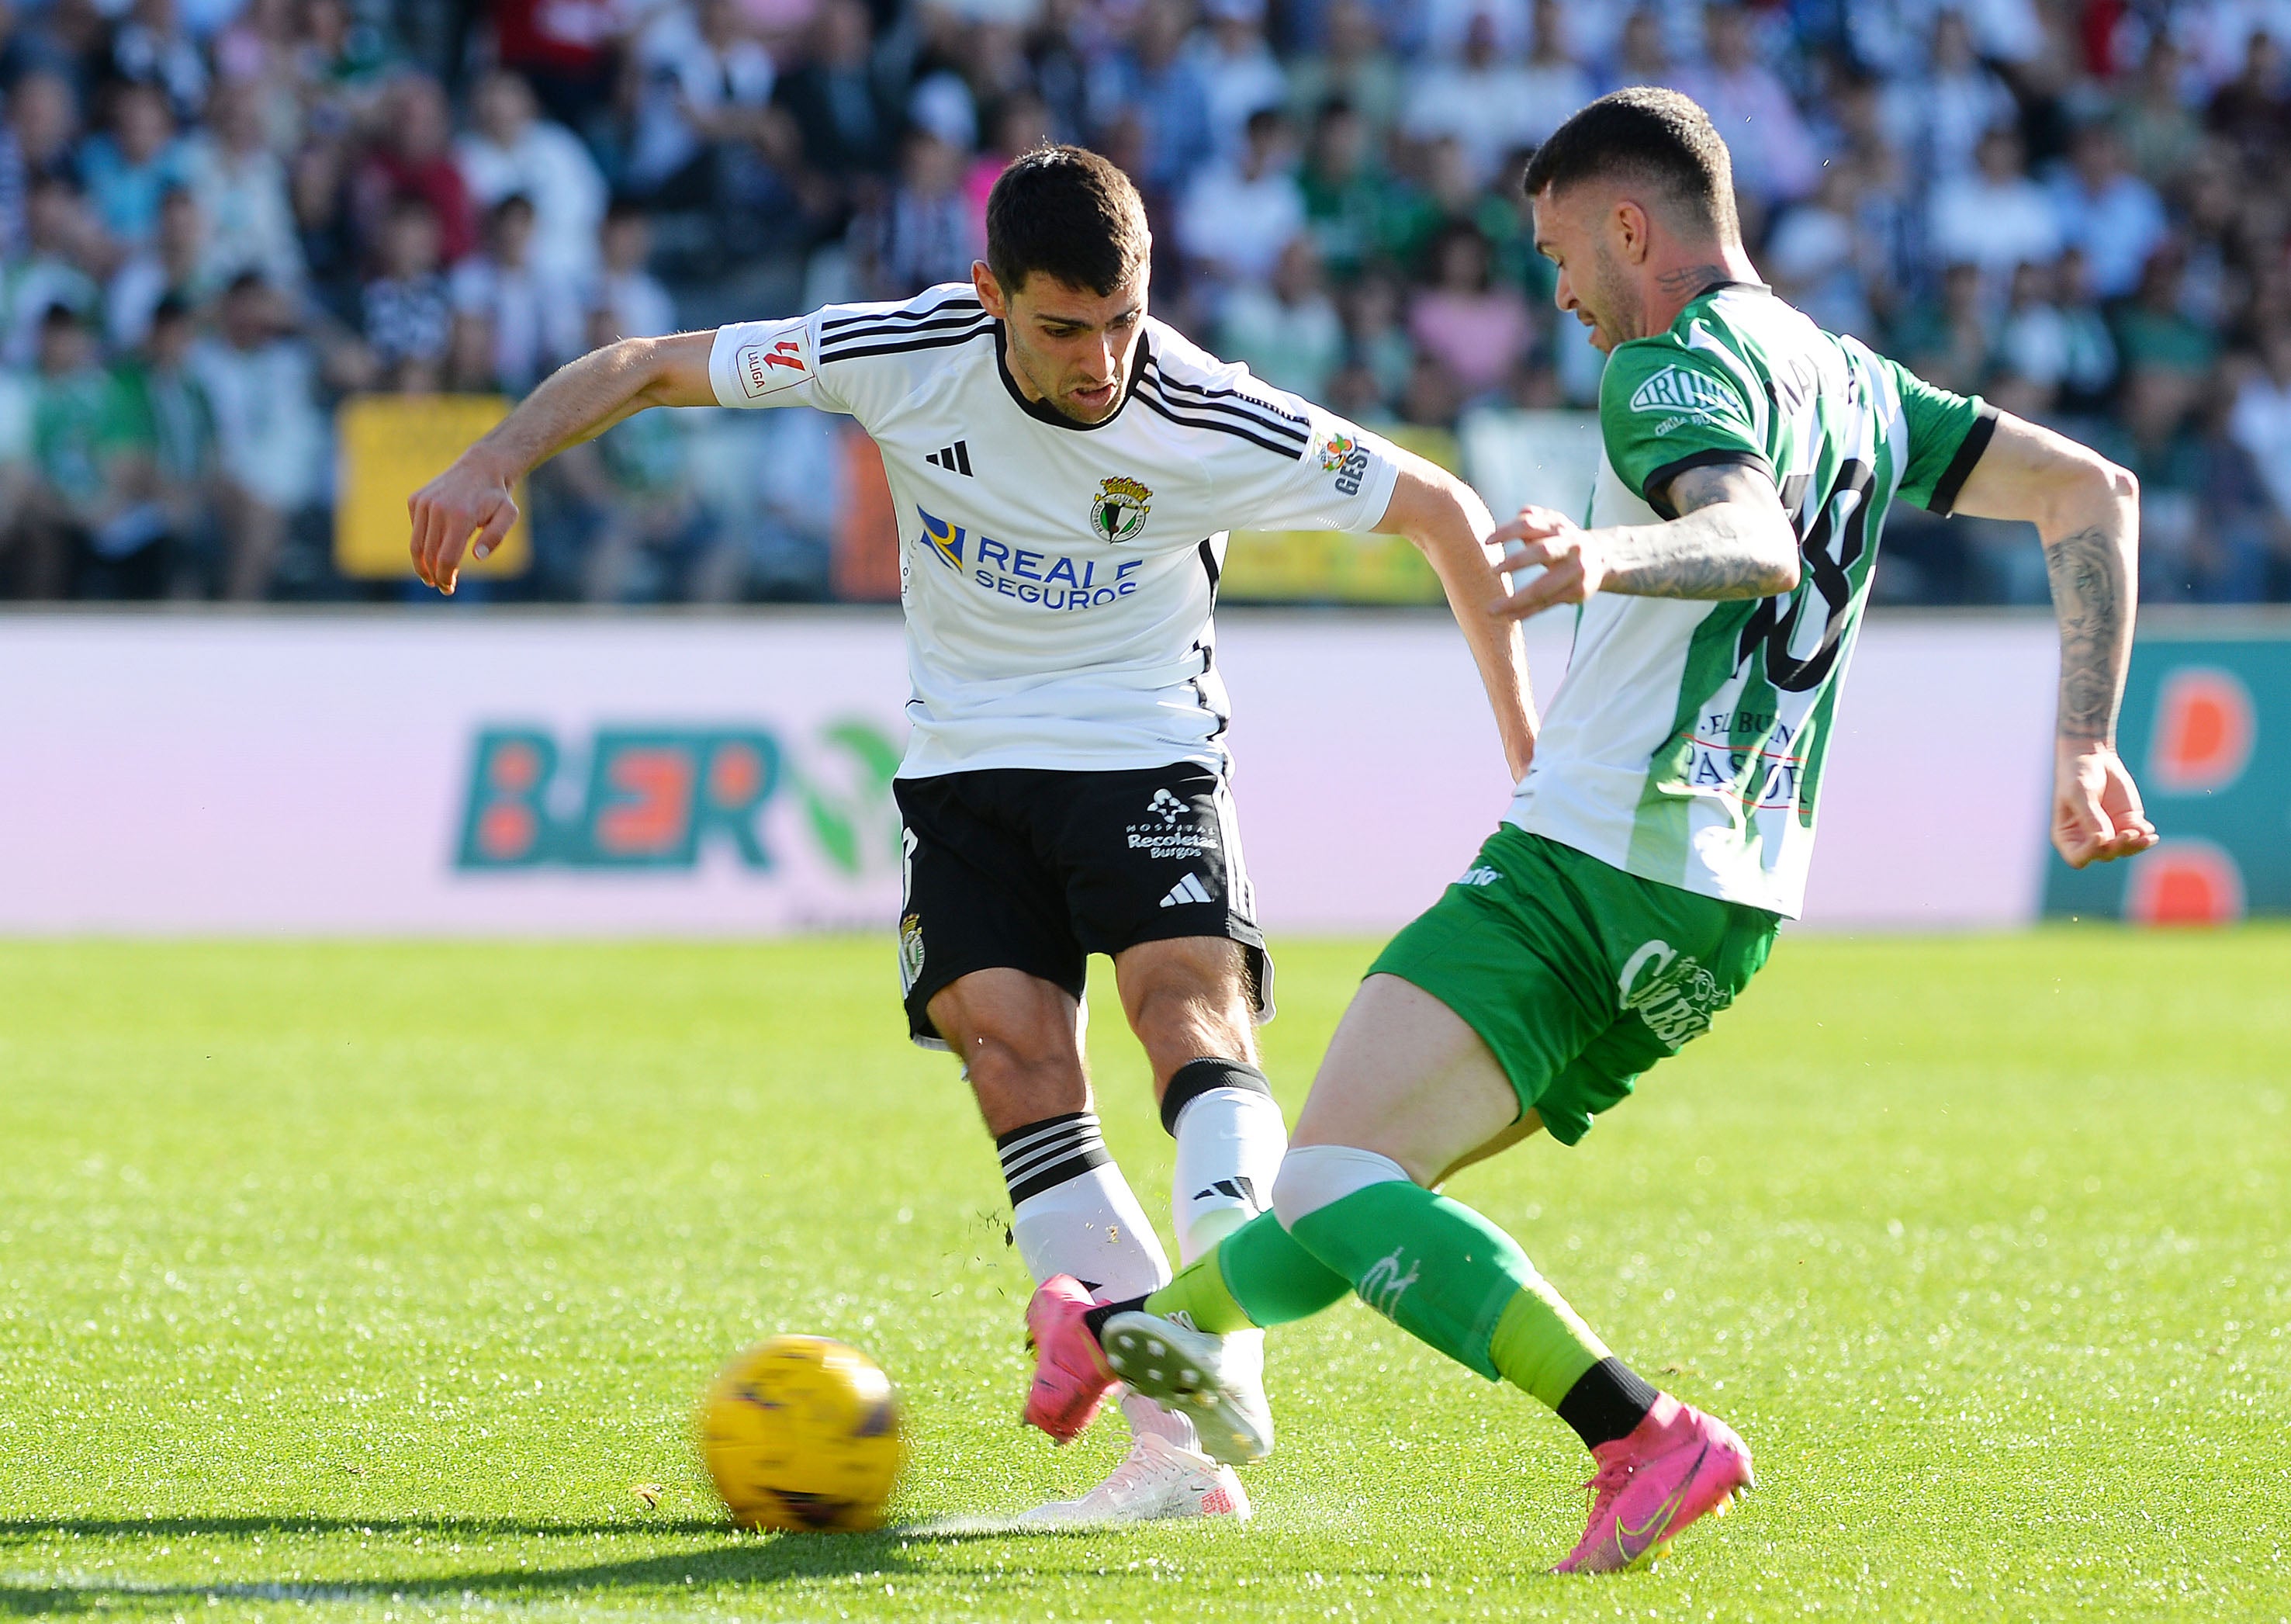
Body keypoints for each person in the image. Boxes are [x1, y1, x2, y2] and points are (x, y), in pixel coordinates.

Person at [1016, 88, 2158, 1573]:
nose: (1559, 293)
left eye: (1562, 251)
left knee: (1328, 1175)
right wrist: (2082, 741)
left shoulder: (1672, 367)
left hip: (1593, 858)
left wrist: (1601, 551)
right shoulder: (1850, 377)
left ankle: (1639, 1432)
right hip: (1726, 909)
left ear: (1632, 226)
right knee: (1368, 1184)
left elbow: (1746, 540)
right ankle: (1152, 1332)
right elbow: (2094, 488)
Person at [405, 145, 1531, 1525]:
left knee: (1183, 1011)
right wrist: (485, 458)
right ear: (989, 293)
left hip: (1142, 745)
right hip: (964, 764)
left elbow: (1441, 510)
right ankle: (1173, 1455)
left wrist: (1527, 752)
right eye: (1062, 328)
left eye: (1121, 322)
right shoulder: (900, 349)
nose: (1100, 360)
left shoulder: (1205, 411)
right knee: (1010, 1058)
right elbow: (644, 363)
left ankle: (1218, 1334)